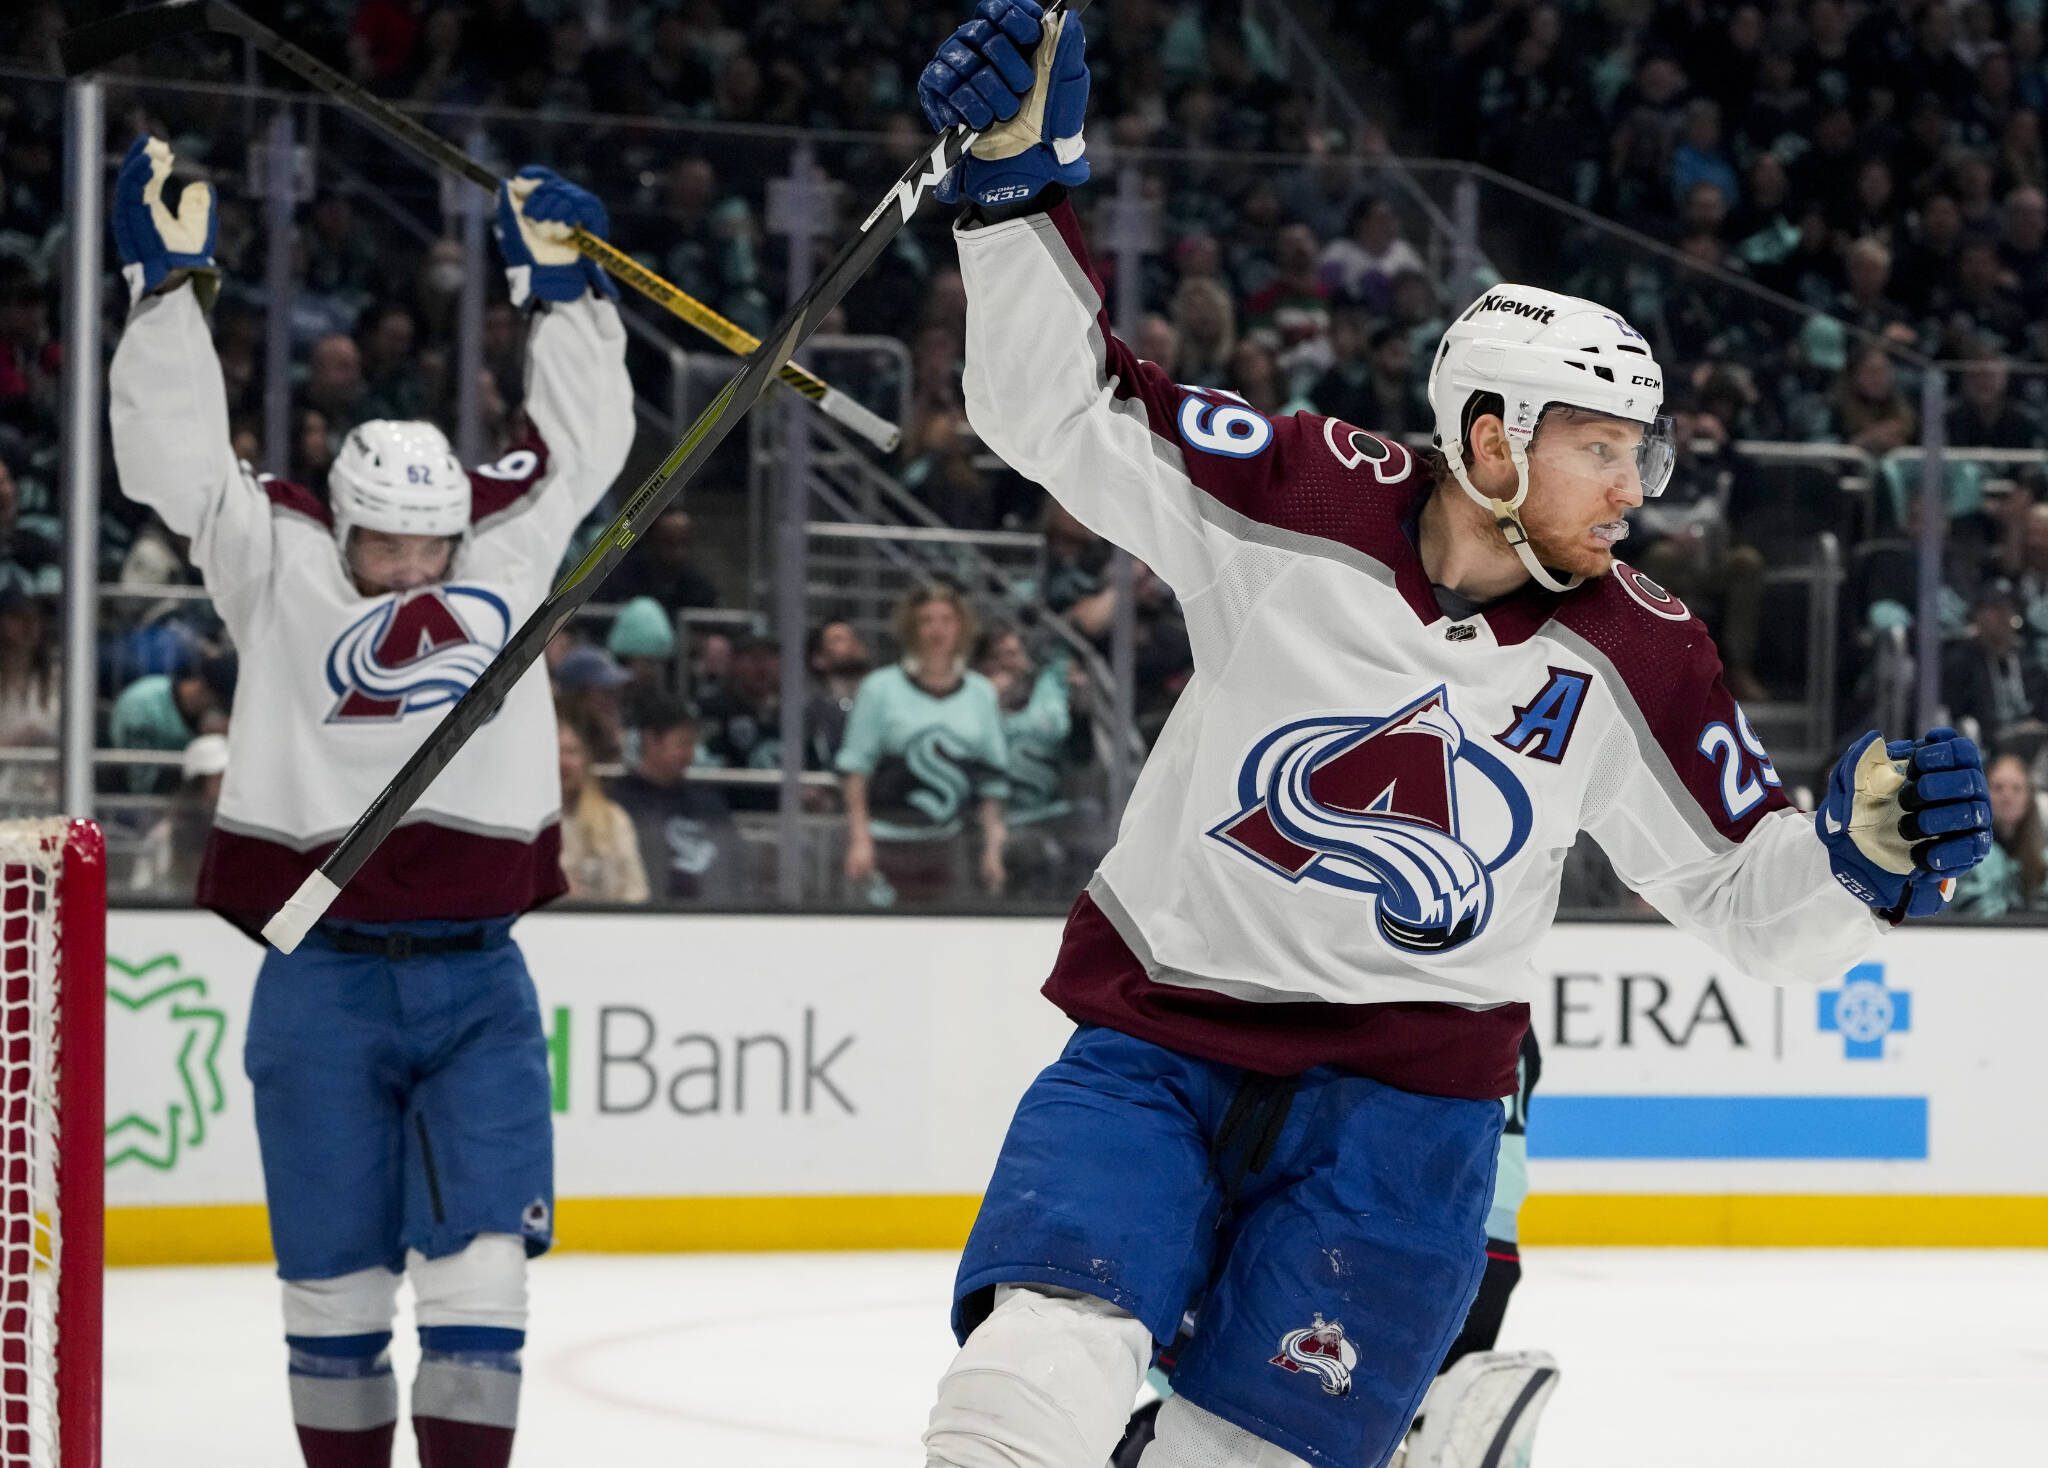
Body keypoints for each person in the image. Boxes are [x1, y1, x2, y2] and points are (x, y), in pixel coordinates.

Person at [913, 8, 1992, 1467]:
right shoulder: (1292, 497)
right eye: (1601, 448)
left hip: (1407, 1127)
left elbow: (1748, 904)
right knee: (1014, 1404)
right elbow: (1060, 411)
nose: (1633, 489)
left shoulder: (1643, 649)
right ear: (1491, 439)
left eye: (1641, 453)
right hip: (1156, 1049)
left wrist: (1858, 873)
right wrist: (1009, 194)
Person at [108, 135, 633, 1468]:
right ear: (340, 524)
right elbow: (175, 464)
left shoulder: (505, 548)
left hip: (477, 984)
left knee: (482, 1288)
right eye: (388, 545)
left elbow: (585, 447)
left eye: (432, 546)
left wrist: (567, 297)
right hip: (319, 979)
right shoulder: (275, 557)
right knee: (330, 1300)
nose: (412, 570)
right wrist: (165, 289)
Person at [837, 582, 1010, 905]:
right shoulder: (880, 689)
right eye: (926, 620)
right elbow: (856, 770)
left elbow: (992, 780)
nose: (937, 630)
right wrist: (859, 840)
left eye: (946, 620)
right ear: (911, 628)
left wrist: (993, 847)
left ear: (961, 628)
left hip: (955, 845)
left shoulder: (980, 693)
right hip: (887, 840)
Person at [609, 693, 737, 902]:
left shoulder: (708, 803)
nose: (690, 754)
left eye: (692, 744)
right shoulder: (619, 805)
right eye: (682, 743)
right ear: (650, 740)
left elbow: (733, 863)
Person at [555, 715, 649, 904]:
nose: (564, 762)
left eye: (572, 752)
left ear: (585, 760)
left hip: (607, 924)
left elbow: (636, 891)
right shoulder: (529, 824)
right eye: (556, 752)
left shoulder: (614, 819)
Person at [1948, 750, 2048, 917]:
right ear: (1982, 794)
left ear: (2029, 798)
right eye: (1998, 788)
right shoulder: (1964, 855)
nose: (2007, 796)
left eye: (2016, 789)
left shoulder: (2044, 859)